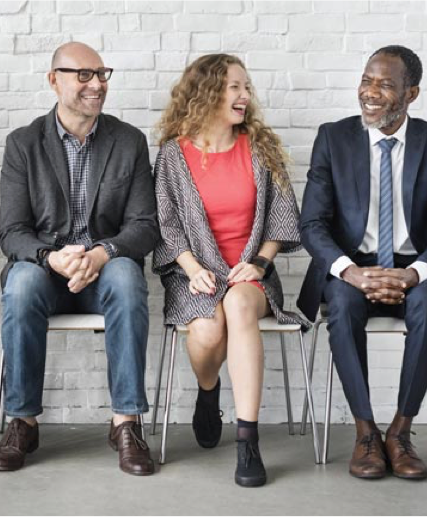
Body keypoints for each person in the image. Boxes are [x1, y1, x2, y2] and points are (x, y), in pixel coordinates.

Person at [0, 42, 159, 476]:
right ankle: (23, 421)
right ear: (54, 80)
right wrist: (51, 258)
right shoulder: (23, 143)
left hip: (104, 271)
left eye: (101, 73)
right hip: (48, 272)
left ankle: (126, 423)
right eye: (83, 74)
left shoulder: (128, 141)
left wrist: (103, 252)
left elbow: (144, 224)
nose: (96, 83)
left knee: (125, 277)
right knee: (22, 282)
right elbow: (11, 231)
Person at [152, 54, 306, 487]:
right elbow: (165, 223)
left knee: (237, 305)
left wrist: (258, 263)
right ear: (207, 92)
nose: (244, 96)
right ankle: (207, 392)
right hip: (193, 272)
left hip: (249, 274)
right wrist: (191, 266)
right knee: (206, 332)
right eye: (234, 87)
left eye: (246, 87)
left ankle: (247, 440)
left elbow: (282, 217)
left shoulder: (259, 149)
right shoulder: (172, 156)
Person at [298, 45, 427, 481]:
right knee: (342, 306)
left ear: (411, 93)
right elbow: (312, 223)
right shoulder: (333, 137)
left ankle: (400, 432)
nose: (370, 92)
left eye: (385, 84)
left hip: (414, 265)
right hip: (352, 264)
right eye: (367, 80)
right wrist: (350, 271)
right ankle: (366, 431)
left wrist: (413, 273)